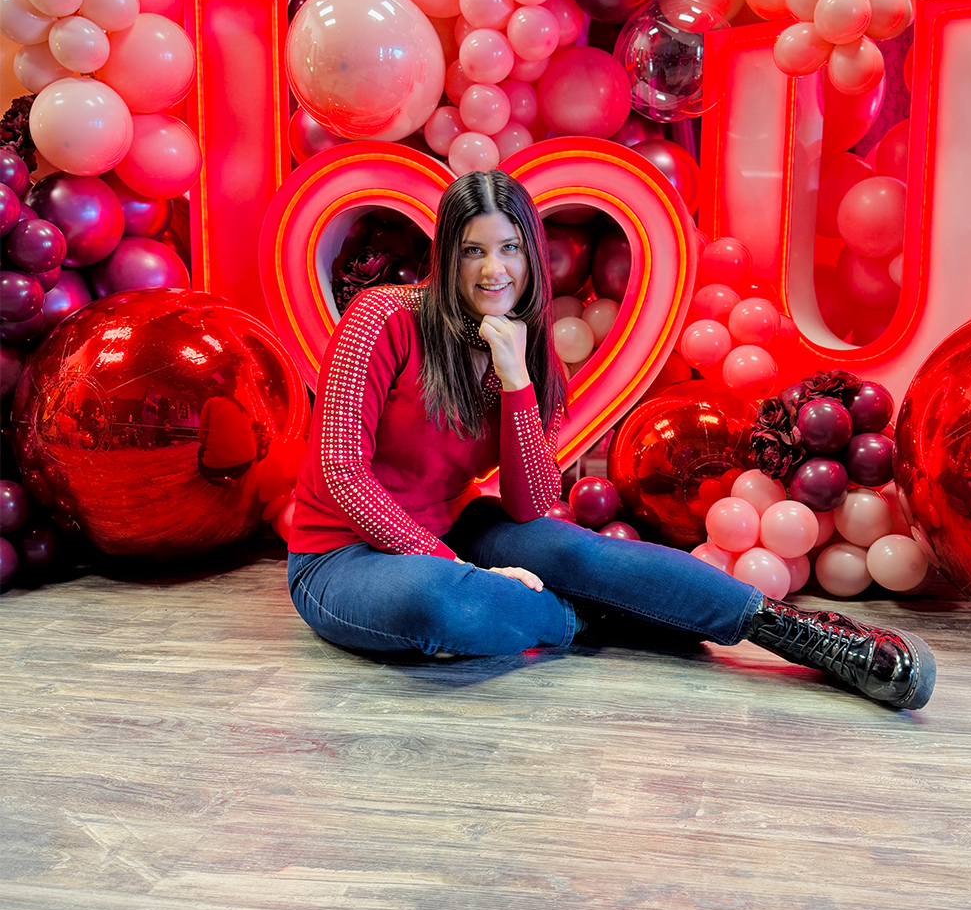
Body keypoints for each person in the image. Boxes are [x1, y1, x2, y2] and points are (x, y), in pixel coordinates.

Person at [287, 170, 935, 712]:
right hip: (341, 557)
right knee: (432, 600)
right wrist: (449, 565)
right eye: (472, 251)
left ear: (531, 255)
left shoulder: (536, 359)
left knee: (578, 551)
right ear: (446, 254)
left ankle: (799, 636)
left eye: (509, 248)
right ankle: (585, 618)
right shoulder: (381, 319)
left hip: (456, 527)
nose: (493, 269)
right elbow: (341, 473)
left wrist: (514, 379)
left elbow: (528, 503)